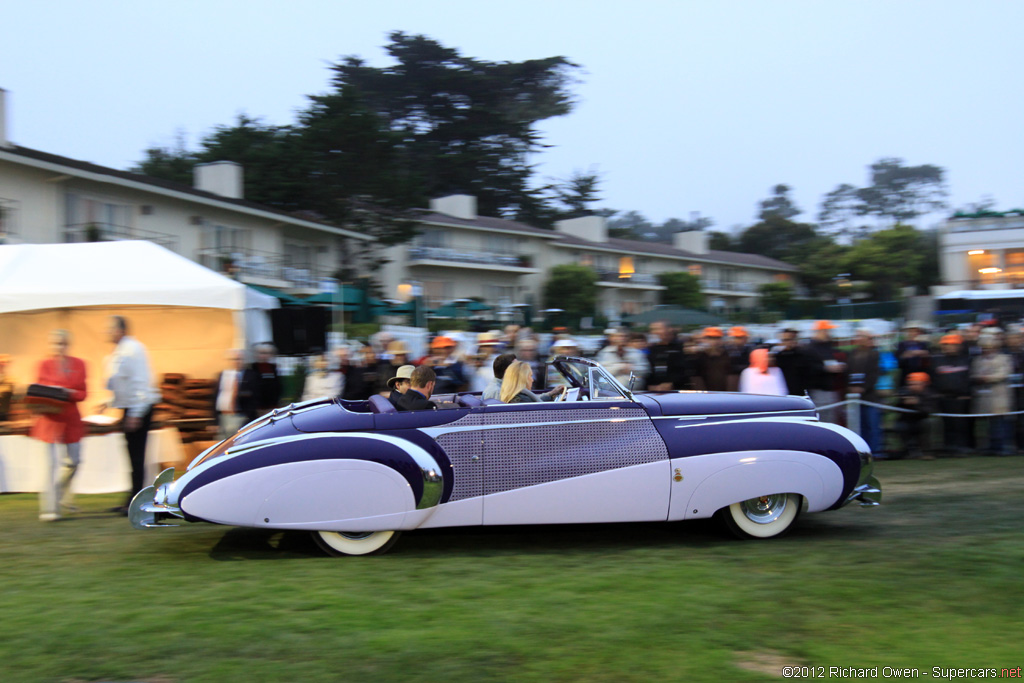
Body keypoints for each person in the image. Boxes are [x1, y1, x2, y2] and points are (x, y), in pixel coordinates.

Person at [103, 315, 159, 514]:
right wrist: (108, 403)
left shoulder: (133, 349)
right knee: (132, 457)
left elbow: (140, 383)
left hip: (139, 407)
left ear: (121, 330)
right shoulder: (121, 350)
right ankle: (132, 498)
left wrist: (135, 414)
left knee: (136, 457)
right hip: (131, 407)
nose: (107, 332)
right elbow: (121, 383)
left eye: (110, 328)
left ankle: (137, 501)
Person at [30, 330, 87, 521]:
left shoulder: (79, 364)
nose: (58, 347)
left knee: (75, 461)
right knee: (50, 465)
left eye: (62, 343)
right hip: (49, 419)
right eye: (55, 343)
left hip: (71, 419)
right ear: (50, 345)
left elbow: (83, 393)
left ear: (67, 344)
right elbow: (38, 391)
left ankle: (60, 494)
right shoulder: (44, 365)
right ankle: (49, 509)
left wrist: (67, 392)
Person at [930, 333, 972, 455]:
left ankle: (962, 447)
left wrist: (967, 393)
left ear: (959, 346)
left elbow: (969, 379)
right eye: (946, 345)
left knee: (961, 425)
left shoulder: (966, 360)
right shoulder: (936, 360)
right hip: (943, 398)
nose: (948, 347)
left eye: (952, 345)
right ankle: (949, 447)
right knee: (947, 424)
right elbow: (933, 378)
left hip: (961, 398)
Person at [972, 334, 1013, 455]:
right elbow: (973, 374)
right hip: (983, 395)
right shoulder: (977, 360)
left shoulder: (1004, 358)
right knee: (986, 423)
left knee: (998, 422)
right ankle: (987, 446)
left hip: (998, 395)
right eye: (984, 348)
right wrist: (978, 378)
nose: (987, 350)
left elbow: (1004, 374)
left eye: (989, 347)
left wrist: (987, 378)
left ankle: (999, 447)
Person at [846, 329, 882, 455]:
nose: (859, 338)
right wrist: (850, 387)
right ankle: (862, 451)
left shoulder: (874, 354)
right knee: (858, 426)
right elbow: (847, 373)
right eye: (858, 336)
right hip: (853, 397)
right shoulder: (852, 354)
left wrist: (864, 388)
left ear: (868, 339)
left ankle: (875, 451)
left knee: (872, 425)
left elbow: (874, 374)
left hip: (869, 396)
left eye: (862, 336)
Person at [806, 320, 847, 424]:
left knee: (832, 420)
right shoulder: (810, 348)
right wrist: (826, 368)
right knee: (822, 421)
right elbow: (809, 368)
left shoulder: (827, 346)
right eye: (827, 330)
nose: (829, 333)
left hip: (830, 389)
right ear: (821, 331)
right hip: (818, 391)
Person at [215, 349, 257, 438]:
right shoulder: (222, 375)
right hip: (224, 416)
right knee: (223, 444)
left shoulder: (251, 375)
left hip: (242, 416)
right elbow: (215, 397)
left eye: (239, 359)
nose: (237, 362)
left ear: (244, 360)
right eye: (234, 359)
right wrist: (215, 421)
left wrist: (249, 417)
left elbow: (256, 397)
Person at [893, 372, 937, 458]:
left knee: (927, 424)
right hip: (907, 420)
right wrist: (902, 401)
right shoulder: (905, 392)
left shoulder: (930, 394)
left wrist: (917, 403)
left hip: (922, 420)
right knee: (900, 426)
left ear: (924, 384)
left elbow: (929, 410)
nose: (911, 386)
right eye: (910, 384)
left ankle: (927, 451)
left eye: (915, 384)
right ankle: (910, 450)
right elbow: (896, 408)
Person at [775, 328, 816, 397]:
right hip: (784, 394)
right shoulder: (778, 357)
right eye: (784, 340)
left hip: (801, 394)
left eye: (790, 339)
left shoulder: (804, 355)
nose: (788, 342)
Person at [499, 360, 564, 403]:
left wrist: (552, 393)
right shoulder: (522, 399)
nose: (532, 380)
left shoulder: (513, 396)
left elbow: (535, 400)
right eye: (530, 376)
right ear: (523, 379)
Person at [646, 321, 685, 391]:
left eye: (658, 329)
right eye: (653, 329)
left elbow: (683, 368)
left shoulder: (680, 347)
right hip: (654, 391)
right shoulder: (652, 349)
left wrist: (672, 382)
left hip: (677, 390)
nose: (655, 332)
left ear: (669, 329)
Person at [692, 327, 731, 392]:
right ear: (704, 339)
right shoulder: (698, 356)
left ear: (721, 340)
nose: (714, 341)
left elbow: (730, 375)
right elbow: (695, 377)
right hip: (705, 394)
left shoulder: (726, 354)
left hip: (724, 393)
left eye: (717, 338)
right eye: (710, 338)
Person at [896, 321, 931, 386]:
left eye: (916, 331)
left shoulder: (924, 344)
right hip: (906, 373)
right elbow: (899, 359)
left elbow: (928, 357)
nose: (914, 333)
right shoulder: (902, 344)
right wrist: (908, 354)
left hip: (921, 373)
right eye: (911, 331)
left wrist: (923, 353)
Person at [251, 343, 281, 415]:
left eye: (267, 353)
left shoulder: (273, 367)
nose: (264, 356)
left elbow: (277, 386)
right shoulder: (253, 368)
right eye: (262, 353)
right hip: (259, 406)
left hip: (272, 405)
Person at [726, 326, 753, 391]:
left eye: (742, 337)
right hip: (732, 379)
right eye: (738, 338)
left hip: (748, 379)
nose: (740, 340)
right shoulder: (726, 350)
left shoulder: (750, 349)